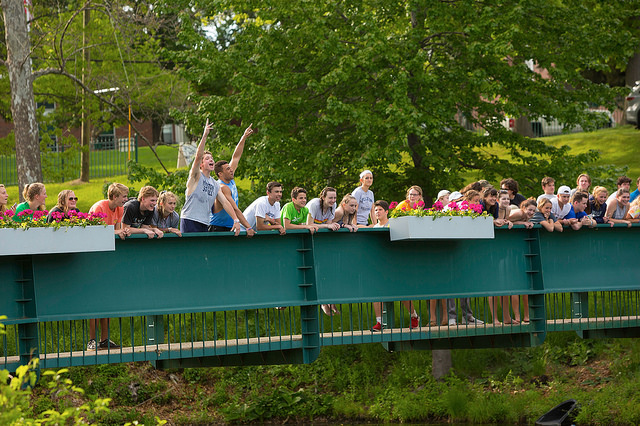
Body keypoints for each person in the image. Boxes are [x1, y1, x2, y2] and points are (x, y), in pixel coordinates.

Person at [181, 119, 242, 235]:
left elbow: (225, 202)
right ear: (202, 165)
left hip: (205, 222)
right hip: (190, 219)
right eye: (207, 158)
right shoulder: (195, 176)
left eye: (212, 158)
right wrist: (205, 135)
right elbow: (198, 157)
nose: (211, 160)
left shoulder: (215, 184)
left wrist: (236, 220)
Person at [209, 124, 256, 236]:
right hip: (218, 228)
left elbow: (236, 157)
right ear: (220, 174)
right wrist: (248, 227)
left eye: (231, 168)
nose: (231, 170)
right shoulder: (222, 187)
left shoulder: (230, 177)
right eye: (228, 169)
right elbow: (234, 209)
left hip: (230, 226)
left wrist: (243, 137)